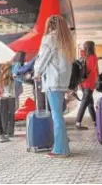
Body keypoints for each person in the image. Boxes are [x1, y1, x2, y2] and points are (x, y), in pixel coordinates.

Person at [33, 15, 75, 158]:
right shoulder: (67, 40)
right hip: (62, 81)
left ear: (49, 25)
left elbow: (43, 57)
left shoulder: (50, 38)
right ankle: (63, 143)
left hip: (52, 81)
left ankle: (61, 149)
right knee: (58, 115)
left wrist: (36, 72)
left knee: (57, 116)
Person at [75, 41, 98, 130]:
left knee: (90, 104)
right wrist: (97, 79)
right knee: (84, 104)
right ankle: (78, 123)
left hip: (83, 83)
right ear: (92, 47)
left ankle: (96, 121)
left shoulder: (83, 57)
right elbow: (93, 70)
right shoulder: (93, 57)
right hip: (90, 83)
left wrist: (80, 83)